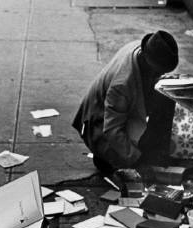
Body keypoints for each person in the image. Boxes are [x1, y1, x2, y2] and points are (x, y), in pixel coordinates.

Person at [72, 30, 179, 174]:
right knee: (130, 157)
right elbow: (112, 130)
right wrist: (138, 160)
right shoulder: (122, 84)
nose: (159, 75)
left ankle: (150, 150)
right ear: (147, 62)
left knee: (165, 95)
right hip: (97, 123)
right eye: (157, 71)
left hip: (116, 109)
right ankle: (104, 155)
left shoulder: (140, 50)